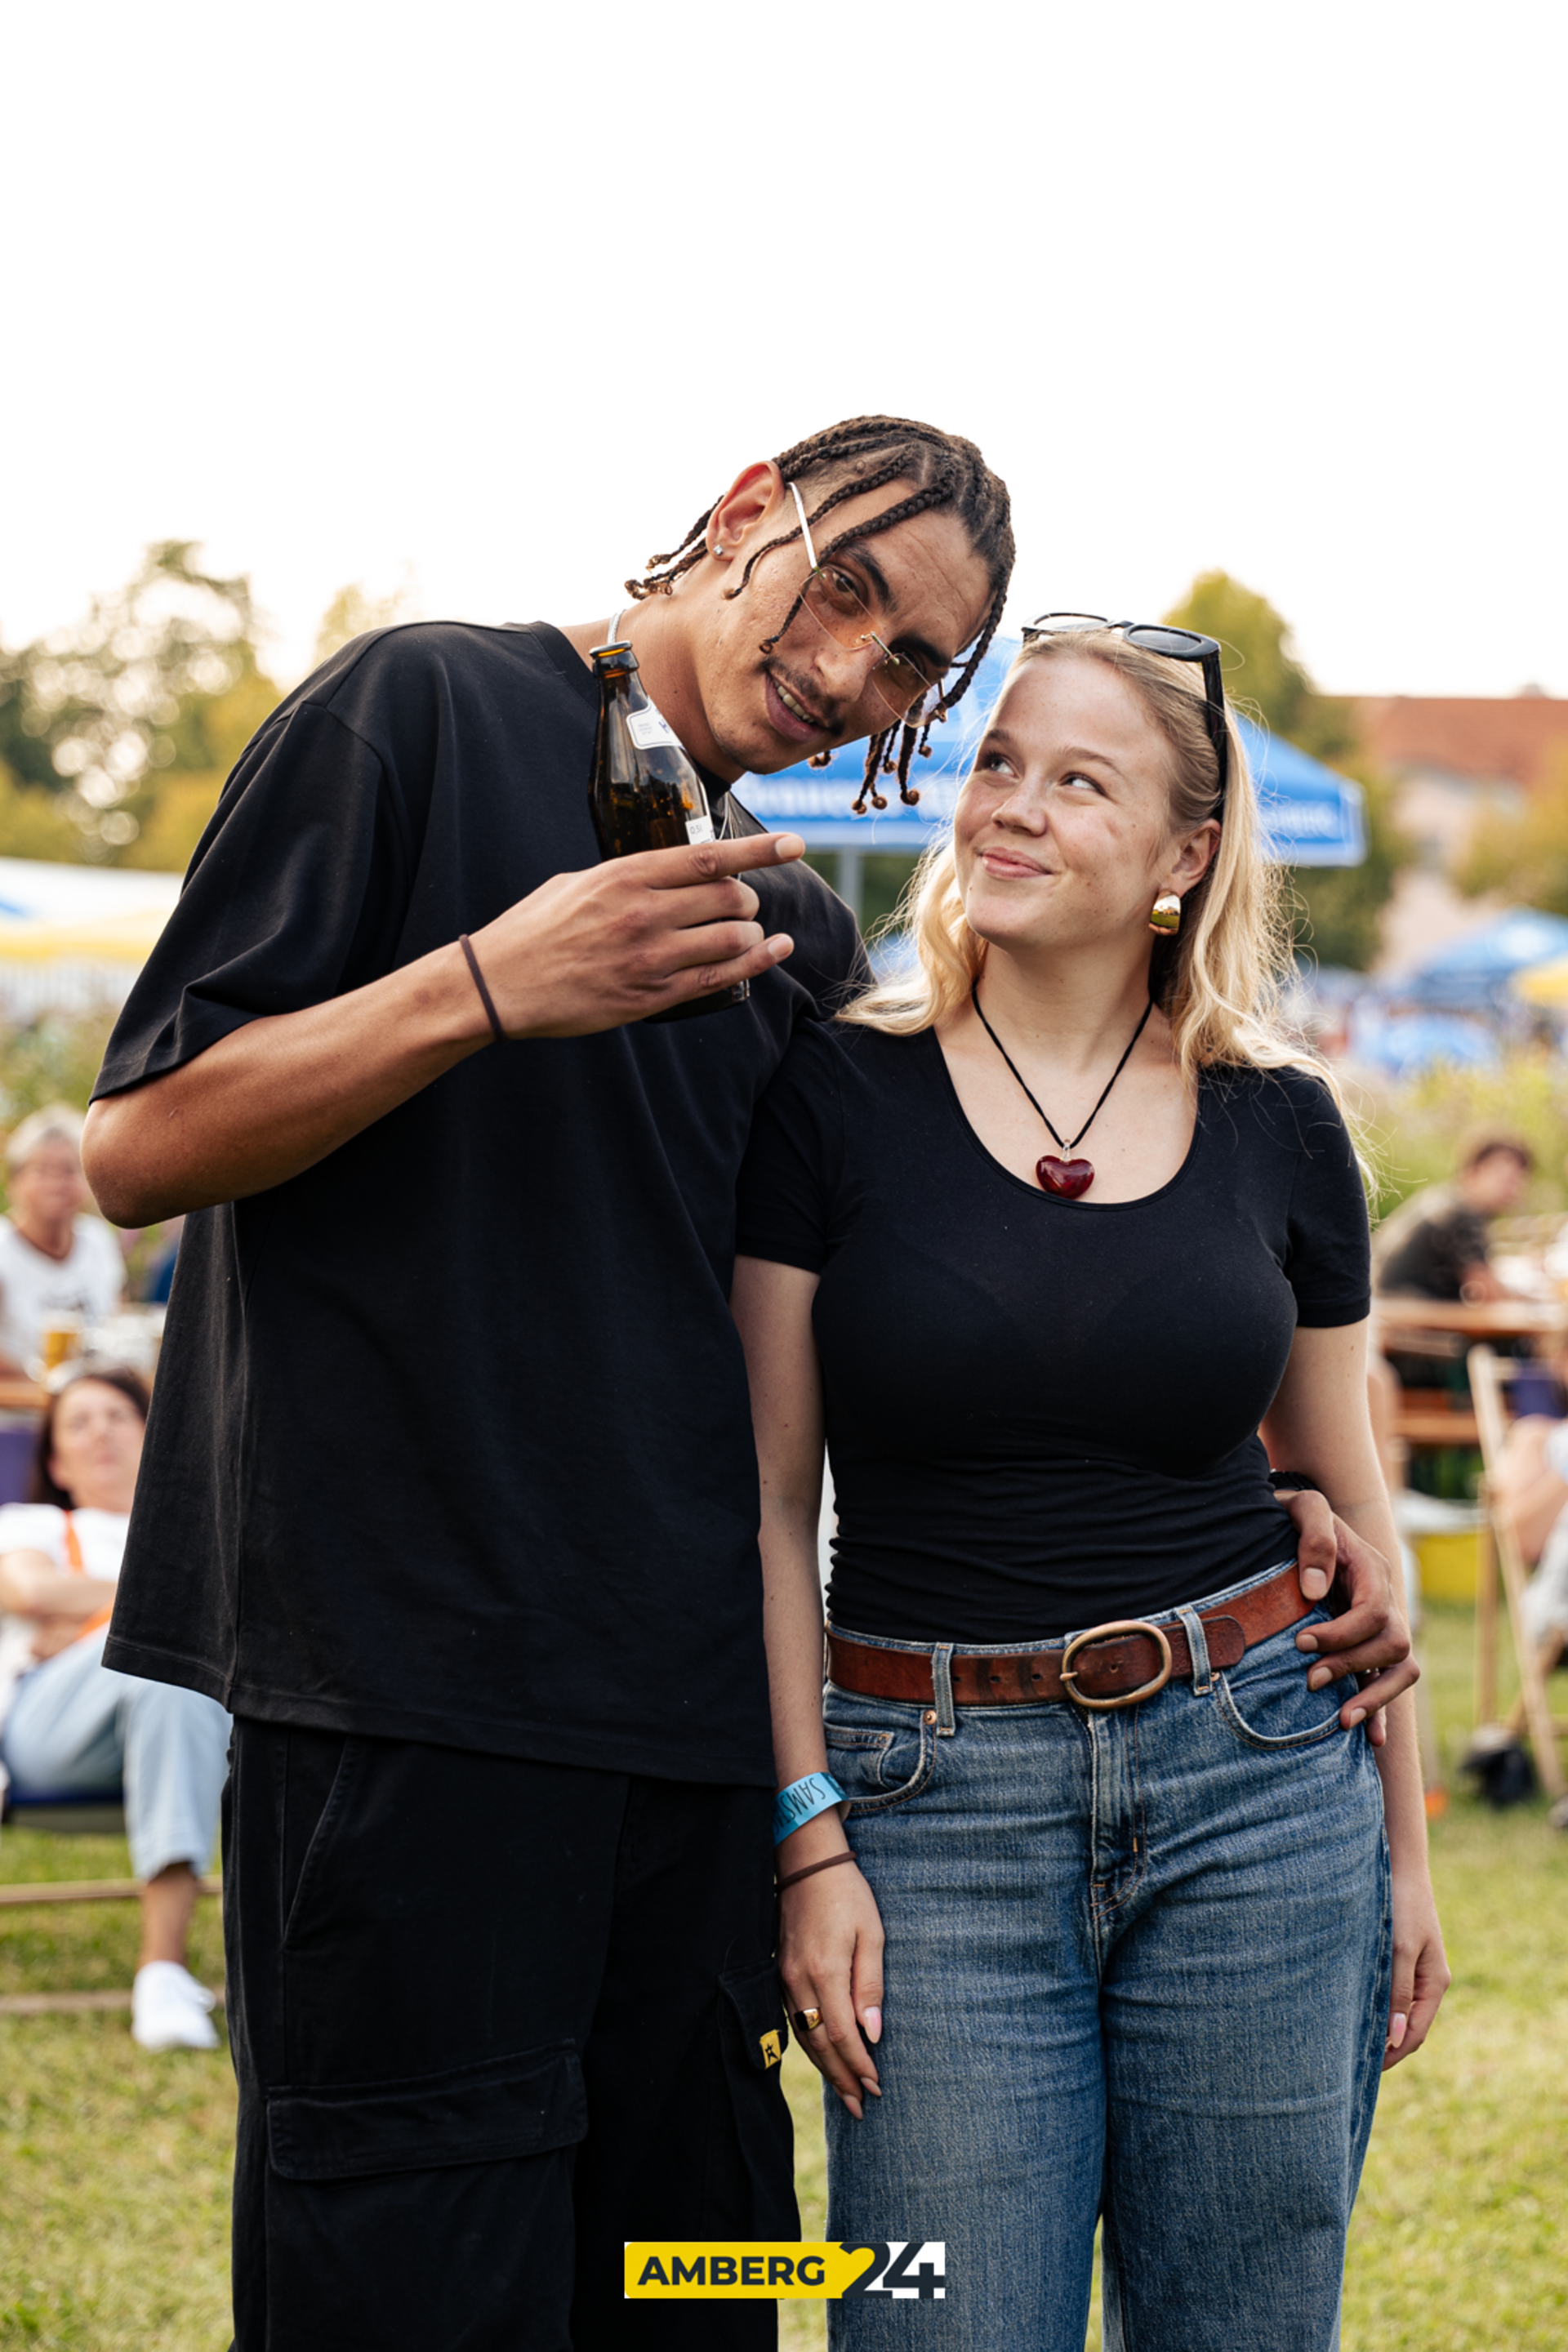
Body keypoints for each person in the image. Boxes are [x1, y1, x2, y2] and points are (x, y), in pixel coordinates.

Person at [79, 418, 1020, 2352]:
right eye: (847, 590)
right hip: (405, 1708)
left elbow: (846, 1342)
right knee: (412, 2295)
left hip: (693, 1747)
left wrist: (1268, 1487)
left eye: (915, 663)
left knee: (693, 2281)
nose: (855, 670)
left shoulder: (794, 930)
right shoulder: (419, 713)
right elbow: (139, 1148)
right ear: (746, 511)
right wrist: (487, 983)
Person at [732, 617, 1444, 2350]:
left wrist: (1407, 1860)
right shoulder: (833, 1088)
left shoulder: (1284, 1123)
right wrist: (807, 1838)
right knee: (940, 2318)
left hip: (1261, 1784)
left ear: (1184, 857)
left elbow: (1350, 1507)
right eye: (996, 762)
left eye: (1078, 780)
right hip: (927, 1805)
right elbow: (765, 1507)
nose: (1012, 806)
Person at [0, 1365, 229, 2050]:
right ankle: (165, 1972)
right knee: (170, 1649)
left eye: (117, 1417)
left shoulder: (206, 1531)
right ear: (56, 1464)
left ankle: (163, 1973)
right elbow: (30, 1591)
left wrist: (90, 1611)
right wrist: (173, 1603)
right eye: (78, 1422)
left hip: (188, 1719)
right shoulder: (35, 1523)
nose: (100, 1432)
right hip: (51, 1728)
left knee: (172, 1676)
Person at [0, 1106, 125, 1375]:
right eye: (42, 1171)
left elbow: (115, 1321)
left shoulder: (98, 1239)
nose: (56, 1184)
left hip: (91, 1393)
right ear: (15, 1181)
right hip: (20, 1399)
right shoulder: (4, 1248)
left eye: (69, 1171)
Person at [1375, 1131, 1533, 1304]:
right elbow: (1489, 1292)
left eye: (1517, 1180)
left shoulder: (1447, 1201)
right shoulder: (1461, 1215)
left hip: (1391, 1305)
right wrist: (1534, 1299)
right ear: (1474, 1171)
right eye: (1505, 1179)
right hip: (1406, 1311)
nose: (1513, 1189)